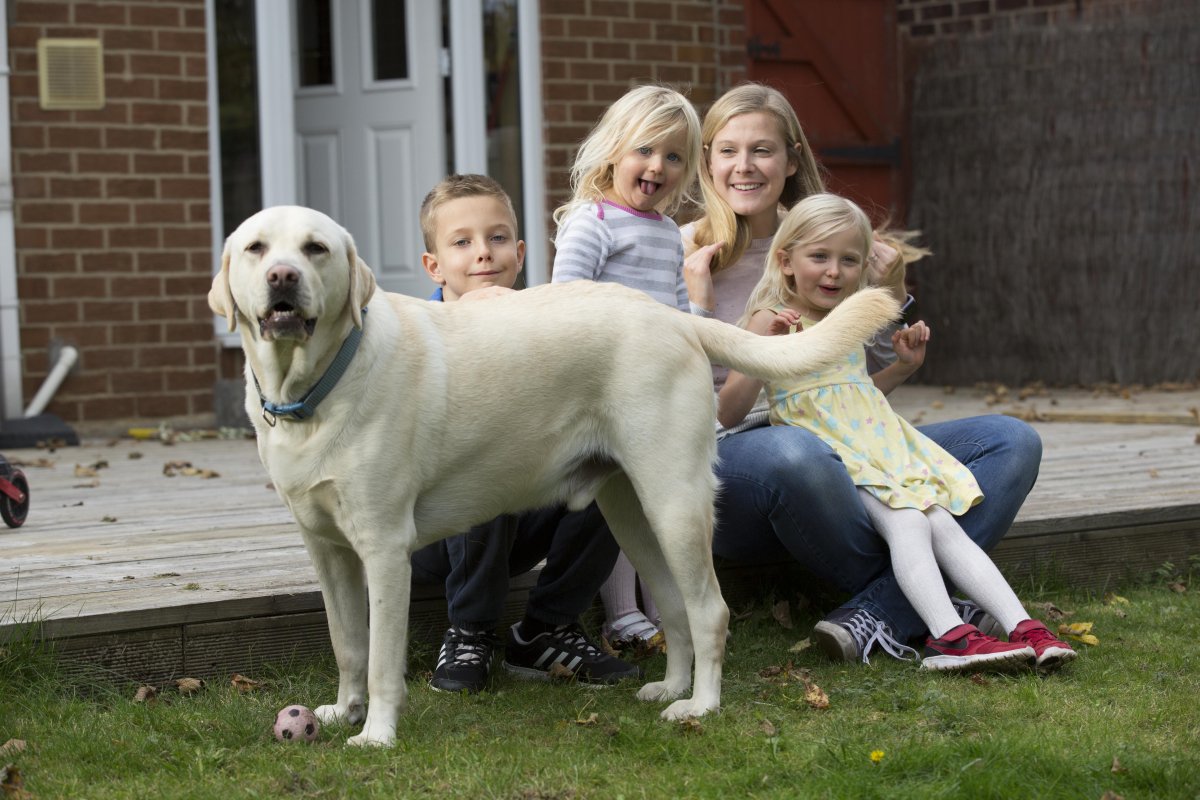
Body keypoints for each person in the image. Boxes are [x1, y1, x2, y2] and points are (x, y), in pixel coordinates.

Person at [681, 83, 1045, 664]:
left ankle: (881, 613)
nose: (744, 166)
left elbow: (855, 382)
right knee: (795, 453)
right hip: (741, 459)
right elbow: (679, 399)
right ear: (708, 162)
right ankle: (933, 607)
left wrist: (892, 291)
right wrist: (703, 313)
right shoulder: (685, 256)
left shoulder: (834, 242)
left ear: (792, 159)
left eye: (763, 150)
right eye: (727, 150)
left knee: (1012, 440)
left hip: (849, 442)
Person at [718, 194, 1075, 670]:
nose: (833, 272)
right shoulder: (772, 319)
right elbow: (729, 411)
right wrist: (767, 355)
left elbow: (853, 396)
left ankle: (1023, 626)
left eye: (849, 261)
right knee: (909, 522)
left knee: (941, 521)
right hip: (837, 456)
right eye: (819, 257)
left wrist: (902, 370)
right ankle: (949, 637)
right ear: (785, 261)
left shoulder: (848, 319)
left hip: (878, 446)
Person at [409, 174, 642, 692]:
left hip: (518, 518)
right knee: (482, 452)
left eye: (496, 239)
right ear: (434, 266)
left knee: (607, 461)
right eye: (462, 242)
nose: (483, 254)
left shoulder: (541, 325)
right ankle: (469, 631)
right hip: (428, 531)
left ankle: (546, 627)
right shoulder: (417, 336)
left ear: (519, 253)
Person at [550, 84, 705, 649]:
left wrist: (697, 368)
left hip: (656, 388)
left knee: (655, 499)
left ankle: (666, 606)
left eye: (673, 157)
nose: (656, 167)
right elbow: (565, 301)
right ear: (613, 150)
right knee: (615, 498)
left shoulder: (667, 234)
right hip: (602, 387)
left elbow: (678, 311)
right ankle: (620, 613)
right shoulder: (594, 222)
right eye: (644, 150)